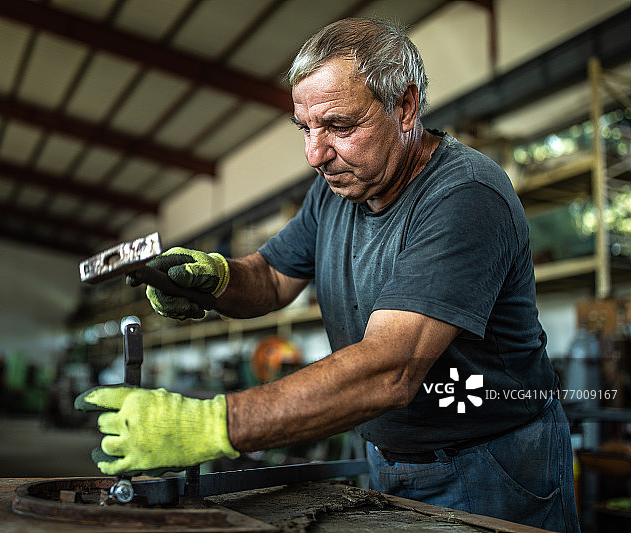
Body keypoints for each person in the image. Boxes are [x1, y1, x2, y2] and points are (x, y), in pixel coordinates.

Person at [76, 18, 579, 532]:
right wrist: (216, 279)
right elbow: (272, 277)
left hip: (492, 462)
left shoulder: (465, 195)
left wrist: (212, 423)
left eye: (339, 127)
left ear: (404, 107)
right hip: (389, 454)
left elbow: (390, 369)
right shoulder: (336, 190)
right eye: (305, 129)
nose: (315, 155)